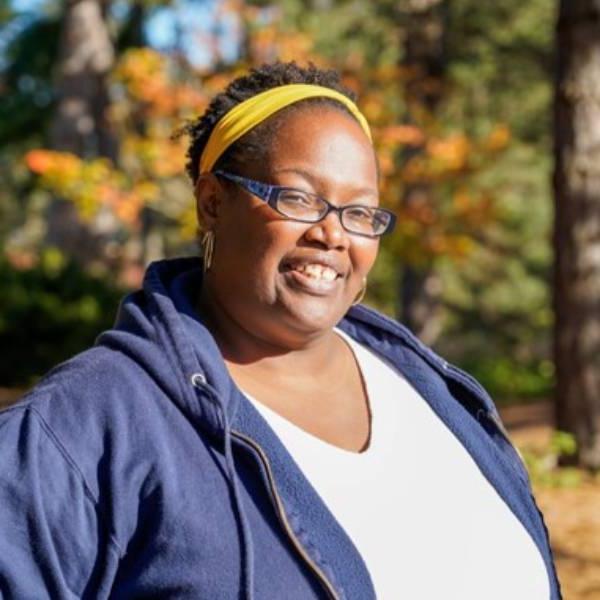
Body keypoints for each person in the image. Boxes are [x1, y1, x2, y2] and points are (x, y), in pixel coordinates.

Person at [0, 61, 560, 599]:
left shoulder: (436, 392)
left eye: (360, 212)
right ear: (212, 202)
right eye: (299, 198)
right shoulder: (83, 427)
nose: (332, 234)